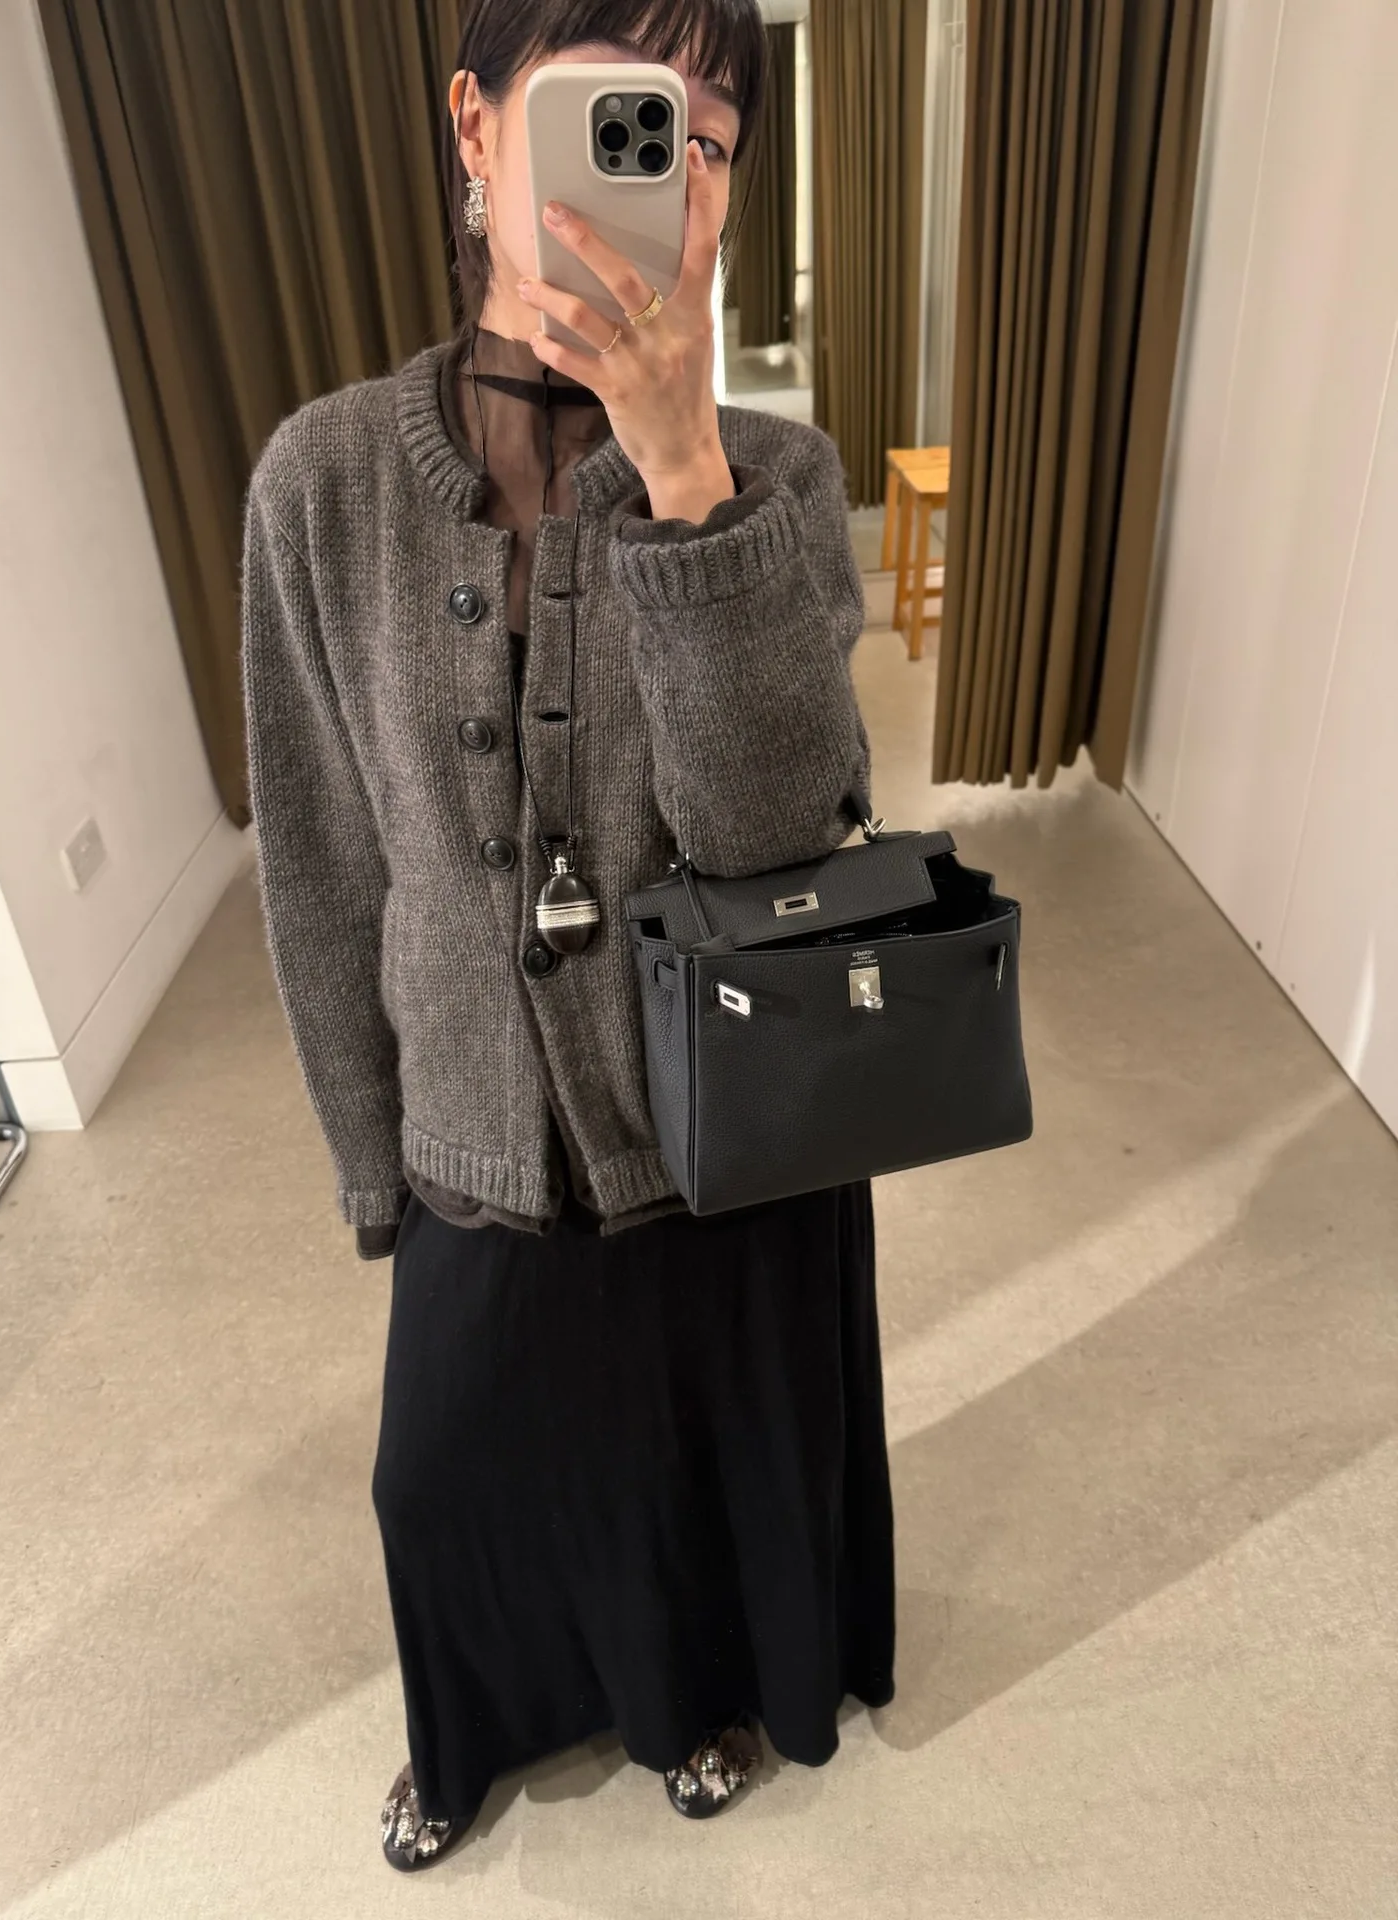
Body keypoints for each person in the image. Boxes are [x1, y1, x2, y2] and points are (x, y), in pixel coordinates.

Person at [239, 0, 895, 1873]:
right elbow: (322, 867)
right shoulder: (325, 482)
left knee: (697, 1462)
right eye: (612, 108)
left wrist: (686, 478)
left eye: (704, 133)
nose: (662, 164)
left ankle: (701, 1701)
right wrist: (374, 1160)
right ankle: (468, 1733)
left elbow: (781, 835)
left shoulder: (777, 474)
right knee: (443, 1477)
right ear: (478, 128)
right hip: (474, 1123)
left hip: (723, 1132)